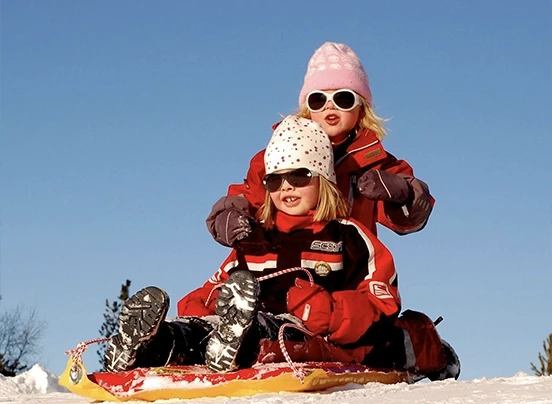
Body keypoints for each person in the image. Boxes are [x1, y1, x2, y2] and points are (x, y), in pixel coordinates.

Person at [105, 116, 459, 381]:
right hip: (243, 322)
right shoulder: (255, 238)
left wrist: (330, 311)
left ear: (323, 181)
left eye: (300, 176)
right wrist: (204, 305)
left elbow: (381, 306)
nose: (286, 186)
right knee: (202, 330)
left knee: (274, 334)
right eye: (275, 179)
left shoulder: (348, 237)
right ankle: (154, 344)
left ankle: (234, 343)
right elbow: (214, 286)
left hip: (310, 333)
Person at [207, 42, 434, 249]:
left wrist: (402, 193)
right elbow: (250, 197)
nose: (329, 106)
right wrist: (230, 215)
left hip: (350, 265)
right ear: (308, 108)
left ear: (361, 107)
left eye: (343, 98)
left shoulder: (376, 163)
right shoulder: (279, 156)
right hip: (287, 259)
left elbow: (409, 221)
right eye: (318, 99)